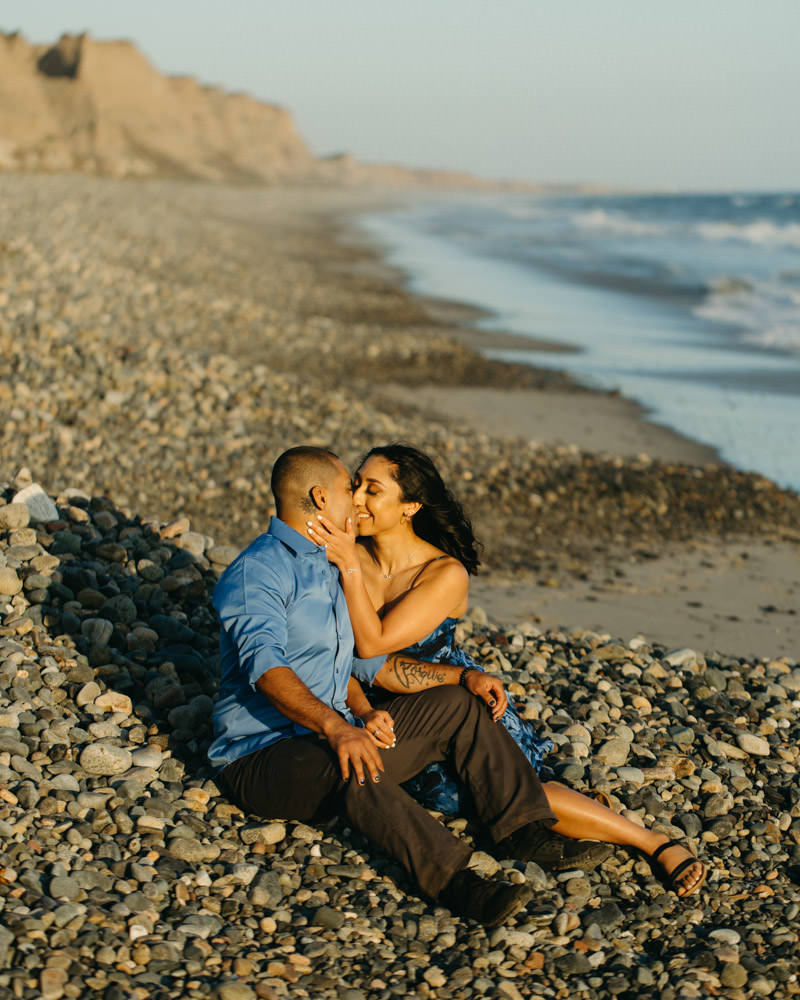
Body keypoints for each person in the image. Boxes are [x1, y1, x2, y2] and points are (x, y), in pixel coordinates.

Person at [209, 445, 606, 929]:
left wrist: (425, 688)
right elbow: (267, 668)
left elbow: (355, 662)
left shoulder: (328, 562)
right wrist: (339, 728)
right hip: (262, 757)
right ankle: (460, 883)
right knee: (352, 763)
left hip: (329, 732)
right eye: (347, 488)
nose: (354, 499)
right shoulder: (259, 571)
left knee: (457, 705)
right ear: (318, 496)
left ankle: (522, 831)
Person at [306, 443, 707, 897]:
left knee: (514, 789)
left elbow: (372, 643)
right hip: (375, 707)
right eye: (356, 485)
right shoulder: (349, 551)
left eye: (372, 491)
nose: (356, 499)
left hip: (452, 703)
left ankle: (654, 842)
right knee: (461, 802)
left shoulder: (442, 573)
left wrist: (349, 571)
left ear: (410, 507)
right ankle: (582, 815)